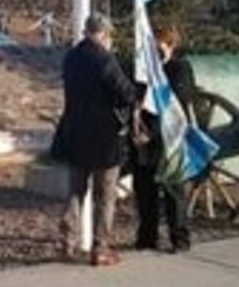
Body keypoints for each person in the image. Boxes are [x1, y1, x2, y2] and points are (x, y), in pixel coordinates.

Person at [52, 14, 137, 266]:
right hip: (104, 138)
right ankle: (100, 248)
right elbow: (125, 93)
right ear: (103, 34)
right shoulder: (105, 59)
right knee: (105, 195)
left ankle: (67, 242)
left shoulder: (71, 57)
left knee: (75, 192)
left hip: (75, 132)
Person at [131, 24, 196, 253]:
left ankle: (179, 239)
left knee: (174, 195)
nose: (156, 55)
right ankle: (147, 237)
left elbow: (177, 104)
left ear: (171, 46)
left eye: (160, 49)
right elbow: (134, 101)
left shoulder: (180, 69)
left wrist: (154, 133)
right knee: (145, 192)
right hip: (143, 139)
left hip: (171, 140)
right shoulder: (142, 72)